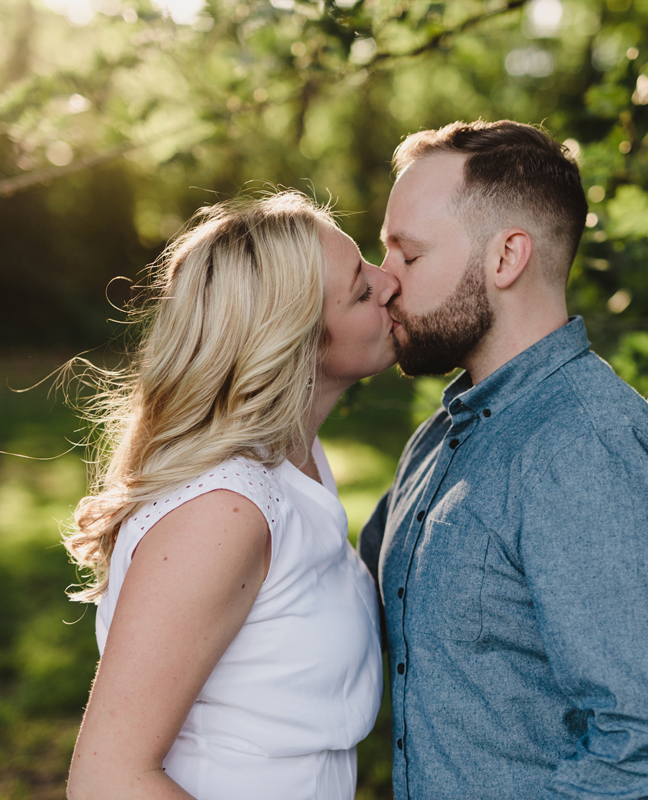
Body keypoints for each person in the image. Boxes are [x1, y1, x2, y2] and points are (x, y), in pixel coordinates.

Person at [358, 120, 648, 799]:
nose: (384, 284)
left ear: (506, 259)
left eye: (407, 257)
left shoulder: (589, 448)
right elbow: (340, 601)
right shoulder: (445, 431)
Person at [64, 191, 398, 800]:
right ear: (294, 343)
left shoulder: (295, 463)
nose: (390, 283)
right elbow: (107, 781)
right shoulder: (224, 509)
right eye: (362, 290)